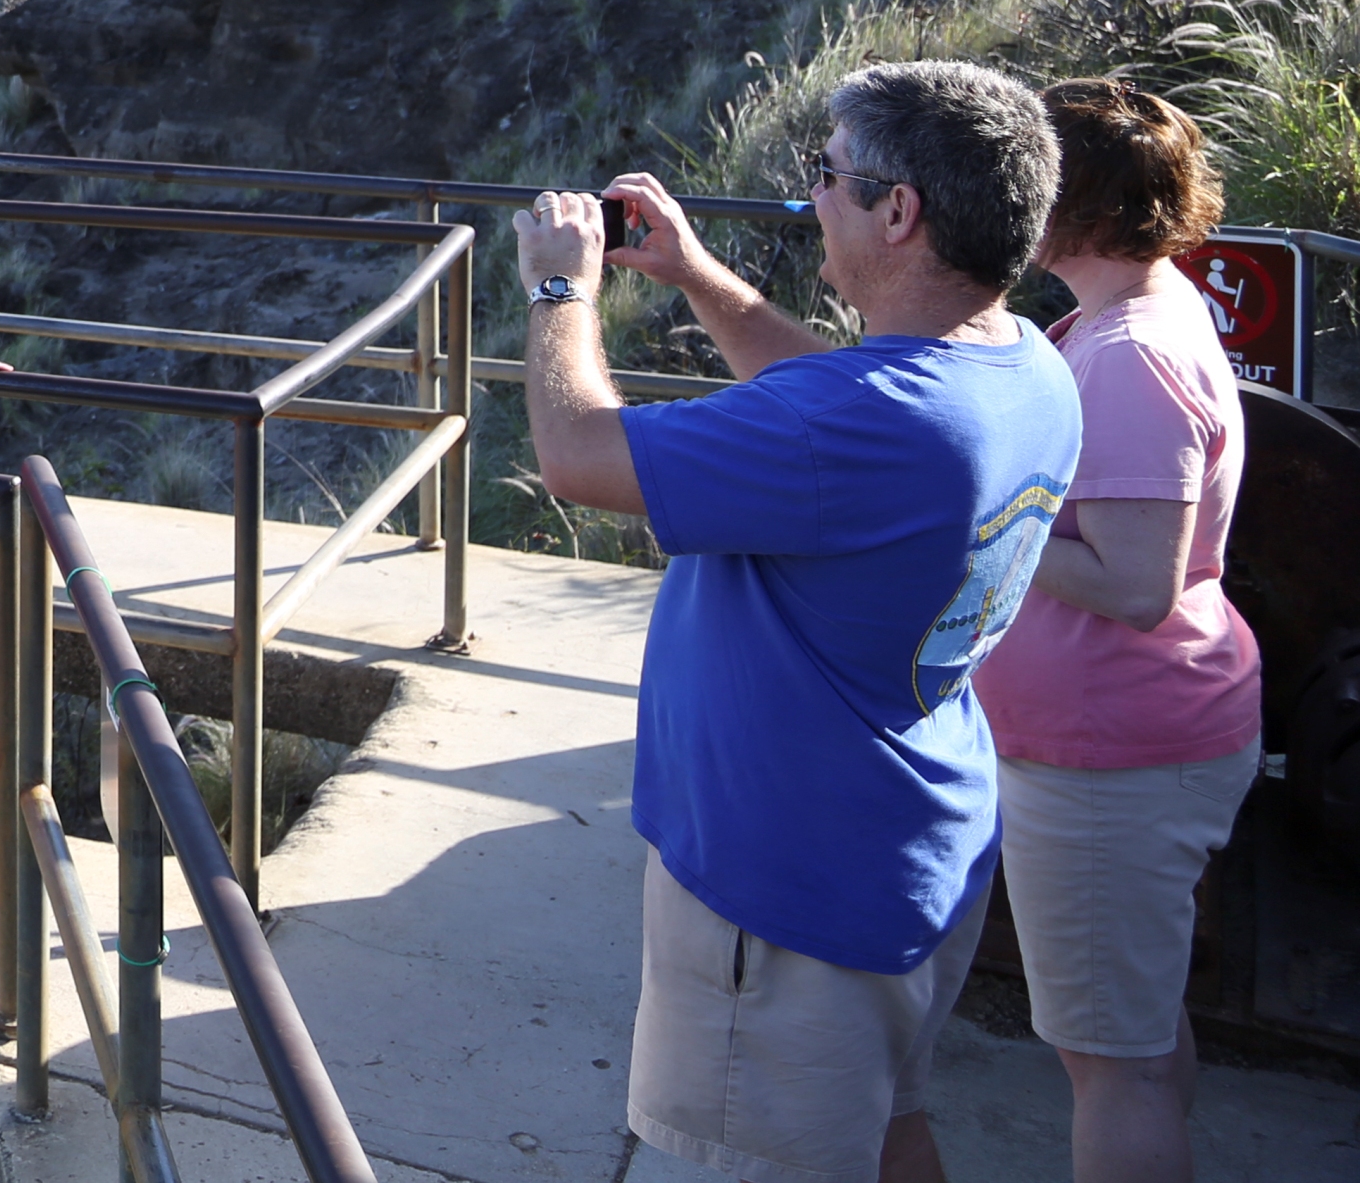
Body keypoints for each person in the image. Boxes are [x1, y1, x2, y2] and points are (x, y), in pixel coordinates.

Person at [515, 59, 1081, 1183]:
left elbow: (577, 456)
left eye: (827, 175)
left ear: (899, 212)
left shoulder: (860, 427)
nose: (813, 195)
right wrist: (692, 273)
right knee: (886, 1131)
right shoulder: (1021, 367)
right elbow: (843, 401)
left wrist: (557, 292)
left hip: (779, 903)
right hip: (908, 852)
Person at [970, 81, 1264, 1183]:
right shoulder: (1128, 314)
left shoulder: (1127, 350)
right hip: (1127, 746)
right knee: (1130, 1037)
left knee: (1109, 1064)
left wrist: (978, 521)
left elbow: (1137, 583)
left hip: (1113, 758)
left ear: (1071, 202)